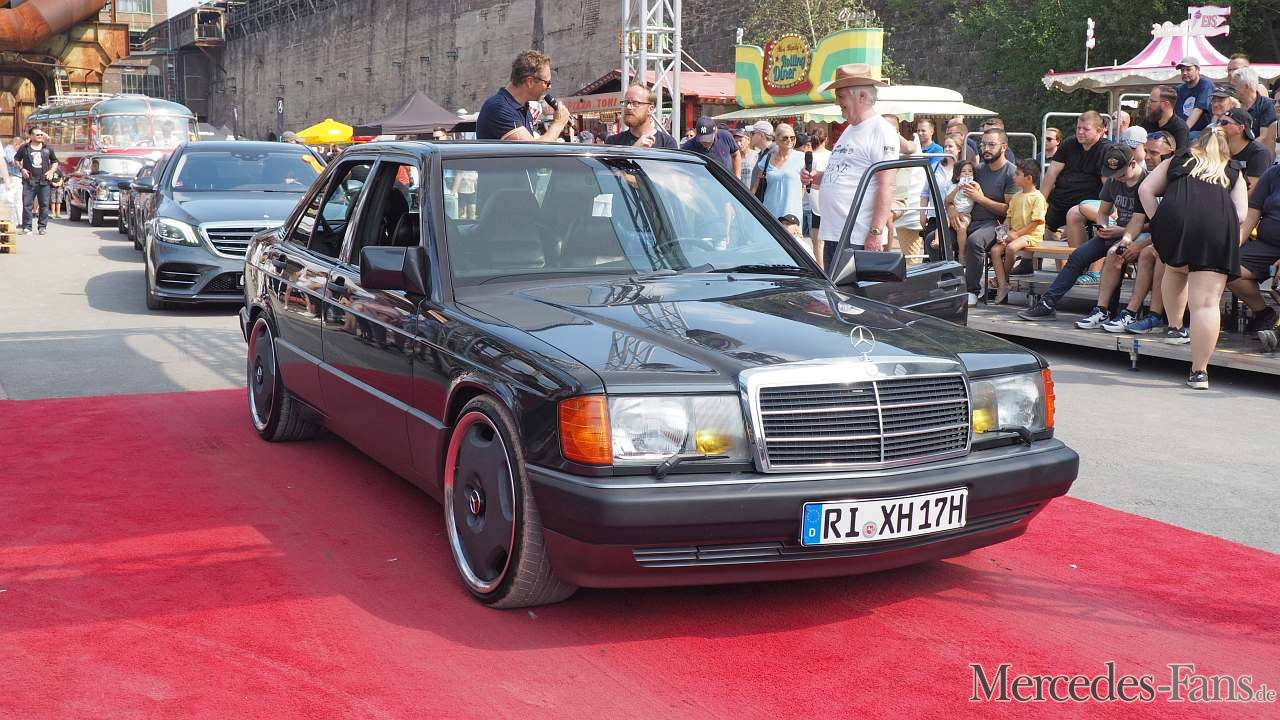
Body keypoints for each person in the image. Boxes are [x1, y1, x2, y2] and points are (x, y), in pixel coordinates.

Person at [1130, 128, 1248, 389]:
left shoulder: (1178, 158)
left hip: (1175, 222)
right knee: (1205, 305)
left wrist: (1159, 219)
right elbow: (1241, 214)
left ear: (1196, 143)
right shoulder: (1233, 169)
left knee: (1175, 268)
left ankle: (1175, 327)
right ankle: (1199, 372)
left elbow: (1145, 190)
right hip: (1216, 227)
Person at [1020, 143, 1148, 322]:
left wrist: (1122, 231)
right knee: (1078, 256)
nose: (1117, 178)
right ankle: (1048, 303)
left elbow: (1155, 223)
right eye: (1113, 174)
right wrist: (1102, 226)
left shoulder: (1147, 182)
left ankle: (1109, 310)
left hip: (1141, 235)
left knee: (1115, 254)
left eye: (1121, 174)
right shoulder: (1113, 181)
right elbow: (1103, 212)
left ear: (1133, 164)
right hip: (1117, 232)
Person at [802, 63, 896, 268]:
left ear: (861, 96)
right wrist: (817, 177)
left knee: (849, 289)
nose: (837, 102)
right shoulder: (850, 130)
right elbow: (846, 175)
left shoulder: (880, 130)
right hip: (837, 234)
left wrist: (875, 232)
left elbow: (887, 185)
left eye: (841, 96)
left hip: (858, 236)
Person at [960, 130, 1018, 302]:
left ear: (1004, 147)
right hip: (969, 219)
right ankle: (946, 287)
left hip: (996, 223)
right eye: (983, 144)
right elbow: (956, 193)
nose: (986, 149)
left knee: (974, 241)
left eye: (991, 145)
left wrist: (980, 199)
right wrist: (952, 209)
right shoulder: (977, 170)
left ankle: (971, 291)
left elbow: (1009, 211)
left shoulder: (1011, 173)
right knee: (934, 239)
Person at [1229, 163, 1280, 351]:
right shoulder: (1273, 174)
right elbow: (1252, 216)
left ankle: (1276, 333)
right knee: (1226, 266)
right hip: (1266, 245)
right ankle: (1264, 314)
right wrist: (1231, 246)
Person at [1041, 111, 1109, 245]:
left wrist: (1112, 211)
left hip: (1087, 205)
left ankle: (1078, 256)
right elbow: (1051, 173)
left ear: (1099, 131)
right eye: (1078, 128)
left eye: (1086, 129)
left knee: (1074, 214)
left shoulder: (1105, 149)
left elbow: (1108, 185)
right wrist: (1040, 201)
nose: (1080, 132)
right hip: (1060, 200)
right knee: (1033, 217)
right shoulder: (1069, 143)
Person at [477, 50, 570, 141]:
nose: (549, 87)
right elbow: (534, 149)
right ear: (530, 82)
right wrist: (558, 123)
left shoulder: (524, 108)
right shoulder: (499, 107)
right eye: (547, 83)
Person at [990, 160, 1046, 303]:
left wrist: (1017, 234)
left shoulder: (1038, 197)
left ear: (1029, 178)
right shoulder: (1016, 197)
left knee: (1011, 248)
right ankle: (1003, 283)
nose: (1014, 177)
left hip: (1031, 235)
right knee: (995, 250)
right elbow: (1008, 218)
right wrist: (1002, 235)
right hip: (1015, 234)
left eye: (1017, 174)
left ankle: (1002, 280)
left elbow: (1036, 222)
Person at [753, 122, 803, 221]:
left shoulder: (801, 158)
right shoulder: (767, 159)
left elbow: (805, 186)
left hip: (791, 214)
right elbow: (757, 184)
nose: (789, 140)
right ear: (777, 139)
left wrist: (795, 202)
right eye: (785, 138)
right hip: (769, 211)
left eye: (792, 138)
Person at [606, 83, 679, 149]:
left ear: (650, 109)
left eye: (635, 103)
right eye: (626, 102)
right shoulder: (613, 142)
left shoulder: (667, 143)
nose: (628, 107)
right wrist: (634, 149)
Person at [14, 127, 58, 235]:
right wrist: (22, 169)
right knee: (27, 205)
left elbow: (55, 161)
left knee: (44, 205)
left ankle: (42, 227)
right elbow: (16, 160)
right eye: (37, 135)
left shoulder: (48, 148)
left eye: (41, 134)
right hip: (29, 181)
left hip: (44, 181)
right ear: (31, 136)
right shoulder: (24, 148)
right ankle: (27, 227)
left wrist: (51, 171)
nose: (40, 136)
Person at [1230, 67, 1277, 160]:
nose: (1233, 90)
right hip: (1234, 154)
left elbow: (1263, 136)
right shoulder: (1233, 105)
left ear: (1247, 86)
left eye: (1235, 86)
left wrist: (1241, 150)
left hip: (1257, 156)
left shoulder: (1266, 105)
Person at [805, 125, 831, 266]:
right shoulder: (832, 155)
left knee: (817, 242)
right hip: (830, 200)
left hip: (813, 199)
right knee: (830, 240)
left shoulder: (809, 156)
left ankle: (821, 269)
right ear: (826, 139)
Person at [1140, 86, 1190, 153]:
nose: (1148, 105)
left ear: (1166, 104)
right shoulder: (1148, 121)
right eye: (1149, 101)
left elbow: (1179, 156)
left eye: (1152, 101)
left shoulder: (1180, 129)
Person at [1175, 56, 1215, 135]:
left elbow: (1198, 109)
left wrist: (1183, 132)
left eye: (1188, 69)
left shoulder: (1205, 84)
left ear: (1197, 69)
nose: (1184, 73)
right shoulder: (1179, 89)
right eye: (1182, 70)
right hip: (1185, 130)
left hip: (1201, 132)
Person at [744, 120, 775, 190]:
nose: (749, 136)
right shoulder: (762, 153)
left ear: (761, 135)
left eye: (752, 133)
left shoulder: (774, 153)